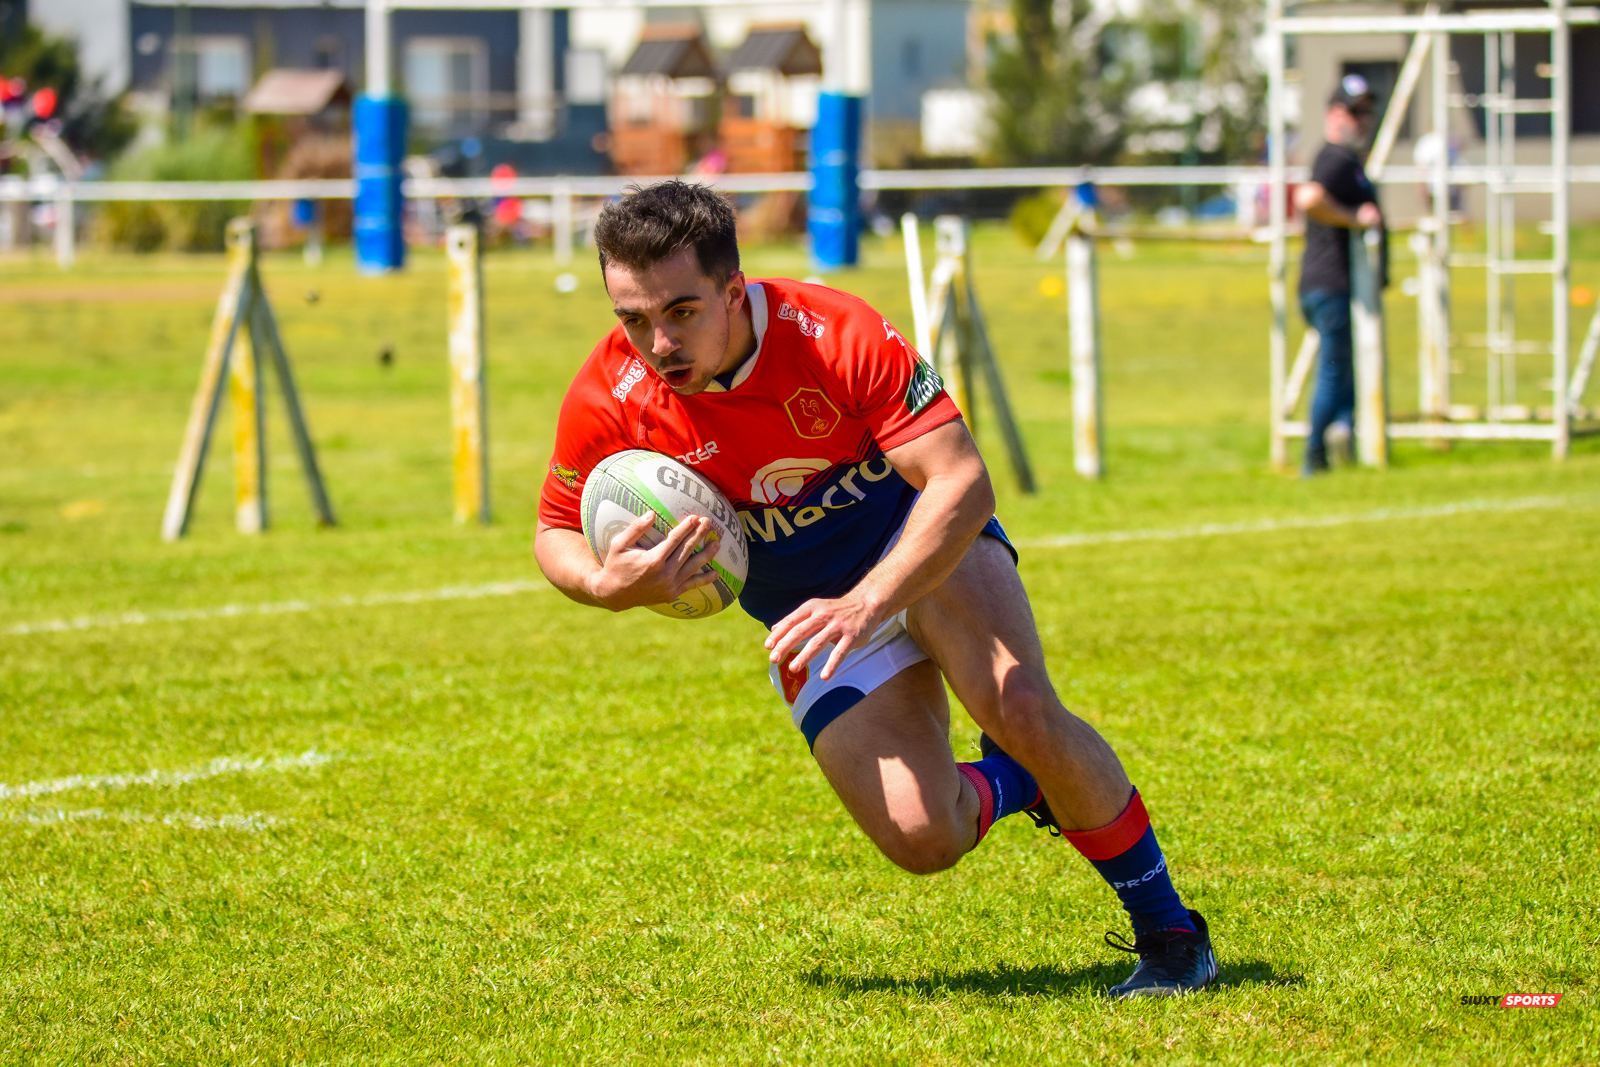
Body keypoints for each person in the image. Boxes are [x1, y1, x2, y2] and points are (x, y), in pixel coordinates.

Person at [534, 181, 1218, 998]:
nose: (658, 342)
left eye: (680, 312)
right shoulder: (612, 390)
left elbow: (961, 482)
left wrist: (870, 599)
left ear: (732, 287)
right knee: (924, 836)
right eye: (633, 320)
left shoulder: (833, 334)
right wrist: (608, 584)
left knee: (1021, 705)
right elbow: (553, 532)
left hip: (919, 545)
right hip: (806, 612)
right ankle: (1021, 779)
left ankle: (1172, 934)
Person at [1295, 73, 1387, 476]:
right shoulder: (1334, 157)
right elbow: (1308, 197)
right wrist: (1353, 219)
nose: (1363, 119)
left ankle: (1343, 443)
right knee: (1333, 373)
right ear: (1334, 114)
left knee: (1345, 370)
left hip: (1338, 285)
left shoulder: (1349, 160)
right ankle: (1314, 455)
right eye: (1355, 111)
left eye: (1367, 111)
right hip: (1328, 283)